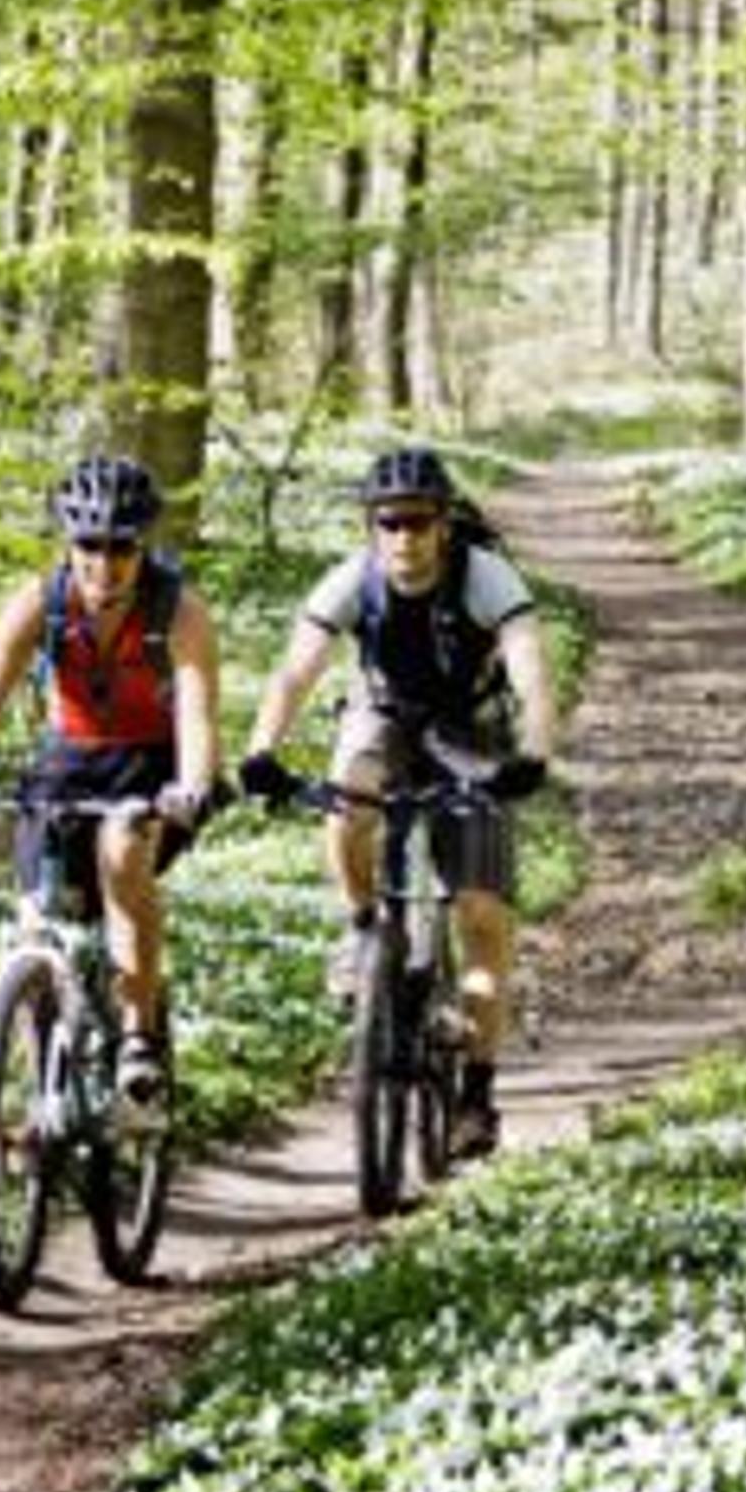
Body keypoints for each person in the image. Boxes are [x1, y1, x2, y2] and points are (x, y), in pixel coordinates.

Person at [237, 446, 557, 1152]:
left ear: (443, 524)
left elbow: (530, 666)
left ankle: (476, 1093)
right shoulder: (354, 580)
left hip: (468, 726)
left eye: (417, 522)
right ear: (371, 527)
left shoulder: (484, 575)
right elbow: (296, 671)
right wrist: (261, 749)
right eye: (389, 524)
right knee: (351, 798)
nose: (403, 538)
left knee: (480, 913)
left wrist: (532, 752)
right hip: (383, 714)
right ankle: (360, 930)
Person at [0, 456, 220, 1108]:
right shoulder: (39, 603)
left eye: (120, 549)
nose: (103, 565)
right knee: (34, 925)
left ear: (142, 548)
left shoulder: (180, 611)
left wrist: (192, 787)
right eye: (89, 546)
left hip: (150, 763)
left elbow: (197, 713)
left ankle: (138, 1040)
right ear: (68, 543)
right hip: (67, 762)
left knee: (120, 858)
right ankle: (38, 1093)